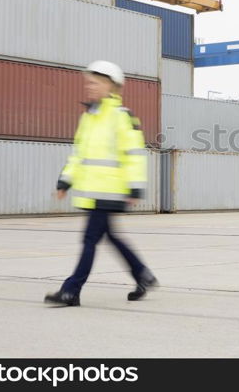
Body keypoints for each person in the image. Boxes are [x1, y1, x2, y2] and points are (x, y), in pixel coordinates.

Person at [45, 61, 157, 307]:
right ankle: (142, 274)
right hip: (92, 191)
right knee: (110, 236)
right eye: (89, 82)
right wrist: (65, 180)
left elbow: (134, 154)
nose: (90, 87)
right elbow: (78, 155)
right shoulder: (89, 117)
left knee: (89, 240)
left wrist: (135, 186)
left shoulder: (121, 116)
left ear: (112, 87)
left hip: (110, 190)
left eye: (96, 83)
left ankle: (71, 291)